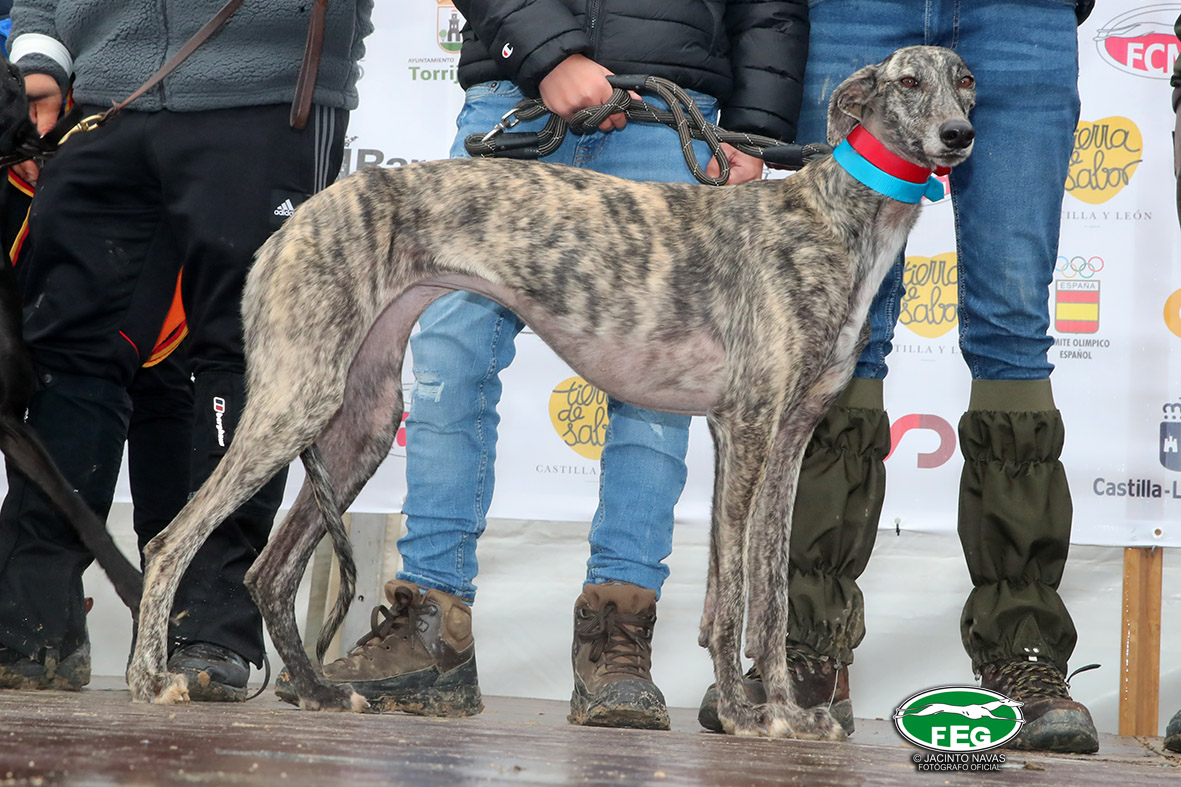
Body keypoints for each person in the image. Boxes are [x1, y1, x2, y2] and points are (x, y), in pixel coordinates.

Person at [286, 0, 809, 729]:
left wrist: (758, 132)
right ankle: (429, 626)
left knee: (655, 392)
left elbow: (771, 9)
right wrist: (549, 55)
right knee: (452, 356)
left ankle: (617, 637)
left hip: (672, 114)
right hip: (516, 100)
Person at [694, 0, 1102, 753]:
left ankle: (1025, 651)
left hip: (1020, 20)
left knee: (1012, 324)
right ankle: (804, 645)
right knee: (837, 329)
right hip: (855, 13)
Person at [0, 0, 374, 700]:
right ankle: (32, 623)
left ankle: (215, 627)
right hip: (103, 98)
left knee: (244, 352)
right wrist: (41, 57)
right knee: (66, 352)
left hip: (264, 95)